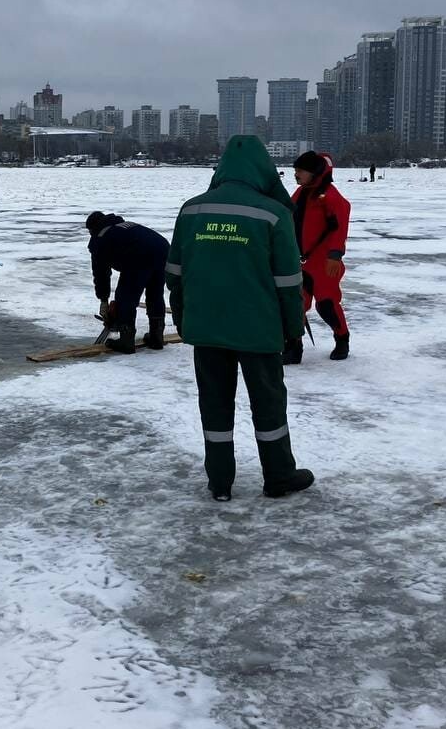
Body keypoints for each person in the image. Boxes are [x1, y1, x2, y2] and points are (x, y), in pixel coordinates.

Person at [166, 135, 314, 502]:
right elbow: (287, 283)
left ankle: (220, 482)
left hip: (207, 329)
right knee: (268, 405)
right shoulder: (273, 213)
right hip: (259, 331)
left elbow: (174, 274)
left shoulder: (191, 211)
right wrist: (293, 329)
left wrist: (185, 320)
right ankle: (278, 476)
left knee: (214, 404)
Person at [286, 151, 351, 363]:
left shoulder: (330, 197)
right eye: (295, 171)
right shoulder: (300, 193)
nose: (296, 175)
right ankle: (294, 346)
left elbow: (339, 227)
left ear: (313, 172)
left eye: (300, 171)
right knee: (295, 305)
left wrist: (335, 254)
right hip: (300, 261)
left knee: (327, 304)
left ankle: (342, 338)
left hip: (324, 263)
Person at [85, 212, 170, 353]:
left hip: (139, 254)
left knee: (126, 296)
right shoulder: (122, 226)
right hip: (163, 249)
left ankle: (126, 341)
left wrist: (103, 300)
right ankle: (156, 337)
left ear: (92, 228)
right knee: (155, 293)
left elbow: (101, 273)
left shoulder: (100, 238)